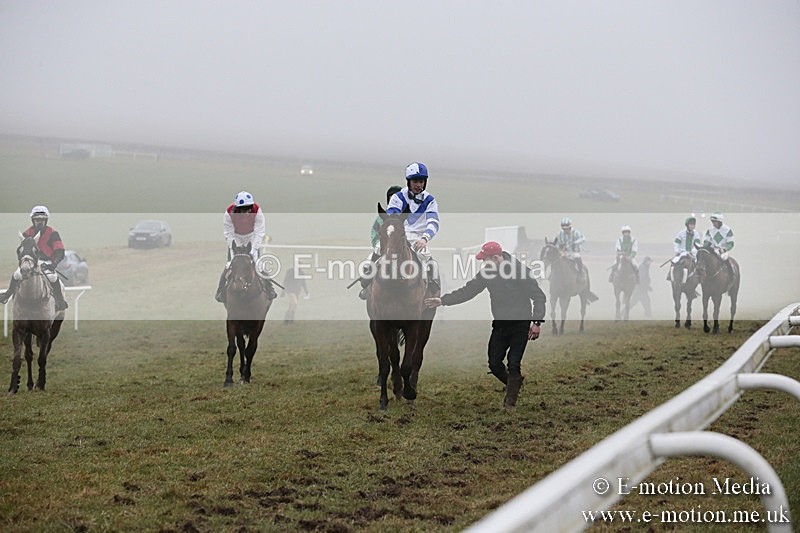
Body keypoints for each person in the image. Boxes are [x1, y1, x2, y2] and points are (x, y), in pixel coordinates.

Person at [425, 241, 546, 409]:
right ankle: (514, 383)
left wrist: (537, 322)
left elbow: (539, 297)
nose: (483, 263)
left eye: (485, 259)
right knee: (494, 363)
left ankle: (509, 403)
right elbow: (468, 291)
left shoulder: (521, 272)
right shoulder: (487, 273)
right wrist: (442, 300)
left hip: (520, 324)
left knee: (513, 363)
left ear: (496, 257)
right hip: (500, 324)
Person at [359, 163, 441, 299]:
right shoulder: (398, 197)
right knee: (377, 250)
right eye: (415, 181)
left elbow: (433, 222)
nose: (419, 185)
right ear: (408, 181)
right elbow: (392, 218)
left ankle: (432, 287)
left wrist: (425, 238)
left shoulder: (430, 201)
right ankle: (367, 281)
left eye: (421, 181)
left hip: (417, 239)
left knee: (429, 260)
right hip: (398, 234)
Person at [1, 205, 69, 311]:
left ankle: (60, 301)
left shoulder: (53, 233)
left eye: (42, 220)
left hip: (46, 263)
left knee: (53, 278)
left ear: (46, 220)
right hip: (31, 262)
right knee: (16, 274)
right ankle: (7, 295)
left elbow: (60, 252)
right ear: (33, 220)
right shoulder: (27, 234)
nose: (40, 222)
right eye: (37, 220)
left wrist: (53, 264)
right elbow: (21, 251)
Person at [214, 191, 276, 303]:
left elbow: (259, 232)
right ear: (237, 208)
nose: (246, 212)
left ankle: (269, 288)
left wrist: (253, 249)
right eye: (243, 209)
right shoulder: (229, 213)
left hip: (252, 237)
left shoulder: (257, 211)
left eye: (248, 208)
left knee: (258, 263)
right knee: (230, 264)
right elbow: (228, 233)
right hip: (235, 237)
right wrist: (234, 247)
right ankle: (220, 291)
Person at [668, 216, 702, 281]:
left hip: (692, 254)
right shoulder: (681, 233)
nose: (692, 226)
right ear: (687, 225)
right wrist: (677, 251)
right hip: (681, 253)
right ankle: (669, 275)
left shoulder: (696, 234)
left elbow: (697, 244)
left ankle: (699, 278)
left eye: (693, 225)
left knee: (699, 265)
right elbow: (676, 243)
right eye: (691, 225)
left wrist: (692, 252)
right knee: (674, 262)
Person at [554, 217, 586, 282]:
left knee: (577, 256)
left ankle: (580, 273)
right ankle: (552, 275)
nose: (565, 230)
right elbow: (557, 244)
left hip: (574, 252)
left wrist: (576, 242)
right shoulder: (560, 234)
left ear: (570, 227)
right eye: (564, 229)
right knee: (556, 260)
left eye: (567, 228)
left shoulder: (575, 232)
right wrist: (559, 249)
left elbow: (583, 239)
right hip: (563, 252)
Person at [704, 212, 735, 278]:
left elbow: (730, 243)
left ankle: (732, 275)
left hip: (722, 251)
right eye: (712, 222)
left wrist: (725, 249)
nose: (713, 224)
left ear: (720, 221)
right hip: (712, 250)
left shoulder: (728, 230)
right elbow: (707, 241)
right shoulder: (710, 230)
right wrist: (704, 246)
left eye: (715, 222)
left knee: (724, 258)